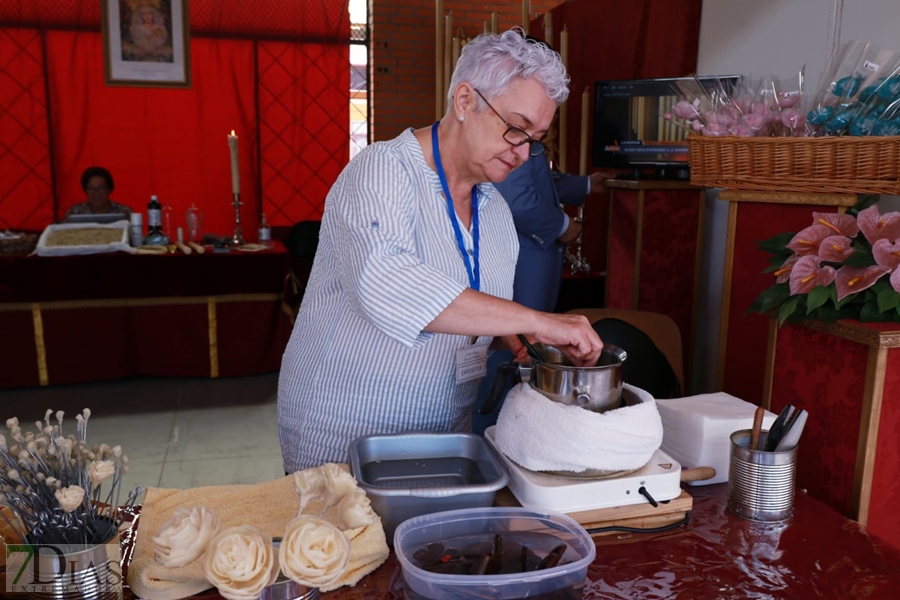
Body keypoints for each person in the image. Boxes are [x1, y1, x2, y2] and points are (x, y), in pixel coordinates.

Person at [278, 29, 604, 473]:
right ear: (465, 101)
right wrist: (538, 319)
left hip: (444, 428)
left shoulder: (494, 210)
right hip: (345, 428)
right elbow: (386, 283)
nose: (524, 153)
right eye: (515, 128)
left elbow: (474, 308)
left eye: (536, 138)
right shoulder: (380, 172)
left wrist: (524, 341)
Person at [470, 140, 611, 434]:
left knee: (520, 346)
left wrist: (584, 185)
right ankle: (493, 432)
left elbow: (542, 181)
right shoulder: (507, 136)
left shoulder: (518, 130)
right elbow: (517, 195)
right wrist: (562, 225)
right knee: (510, 352)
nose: (525, 150)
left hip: (533, 265)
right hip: (523, 263)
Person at [65, 167, 132, 220]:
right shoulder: (75, 212)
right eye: (91, 188)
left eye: (101, 188)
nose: (96, 193)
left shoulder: (124, 212)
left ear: (109, 190)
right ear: (85, 191)